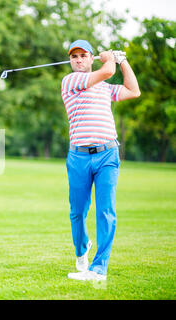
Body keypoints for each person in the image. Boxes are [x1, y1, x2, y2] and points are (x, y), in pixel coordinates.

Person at [61, 40, 140, 281]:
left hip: (107, 154)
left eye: (83, 55)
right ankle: (81, 248)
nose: (78, 60)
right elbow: (106, 70)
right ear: (71, 61)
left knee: (106, 211)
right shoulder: (70, 82)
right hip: (78, 157)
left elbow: (134, 90)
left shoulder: (105, 88)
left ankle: (99, 268)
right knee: (78, 211)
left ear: (90, 58)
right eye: (74, 56)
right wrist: (110, 58)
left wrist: (122, 60)